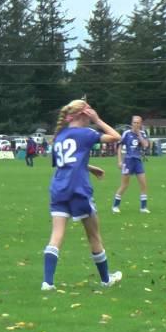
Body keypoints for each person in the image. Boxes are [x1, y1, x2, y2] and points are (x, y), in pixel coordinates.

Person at [42, 99, 122, 290]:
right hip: (78, 190)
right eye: (89, 113)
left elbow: (67, 163)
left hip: (59, 189)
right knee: (94, 236)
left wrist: (90, 167)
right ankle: (105, 280)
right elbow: (116, 136)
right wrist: (98, 120)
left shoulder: (60, 136)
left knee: (56, 235)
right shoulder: (86, 133)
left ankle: (47, 282)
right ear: (83, 115)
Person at [112, 116, 150, 214]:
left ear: (141, 124)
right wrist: (119, 161)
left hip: (138, 161)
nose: (136, 124)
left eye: (138, 123)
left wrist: (139, 135)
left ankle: (143, 208)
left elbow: (145, 145)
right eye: (134, 122)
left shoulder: (142, 133)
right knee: (125, 185)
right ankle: (115, 206)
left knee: (143, 185)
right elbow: (120, 146)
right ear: (131, 123)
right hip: (128, 161)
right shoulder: (126, 133)